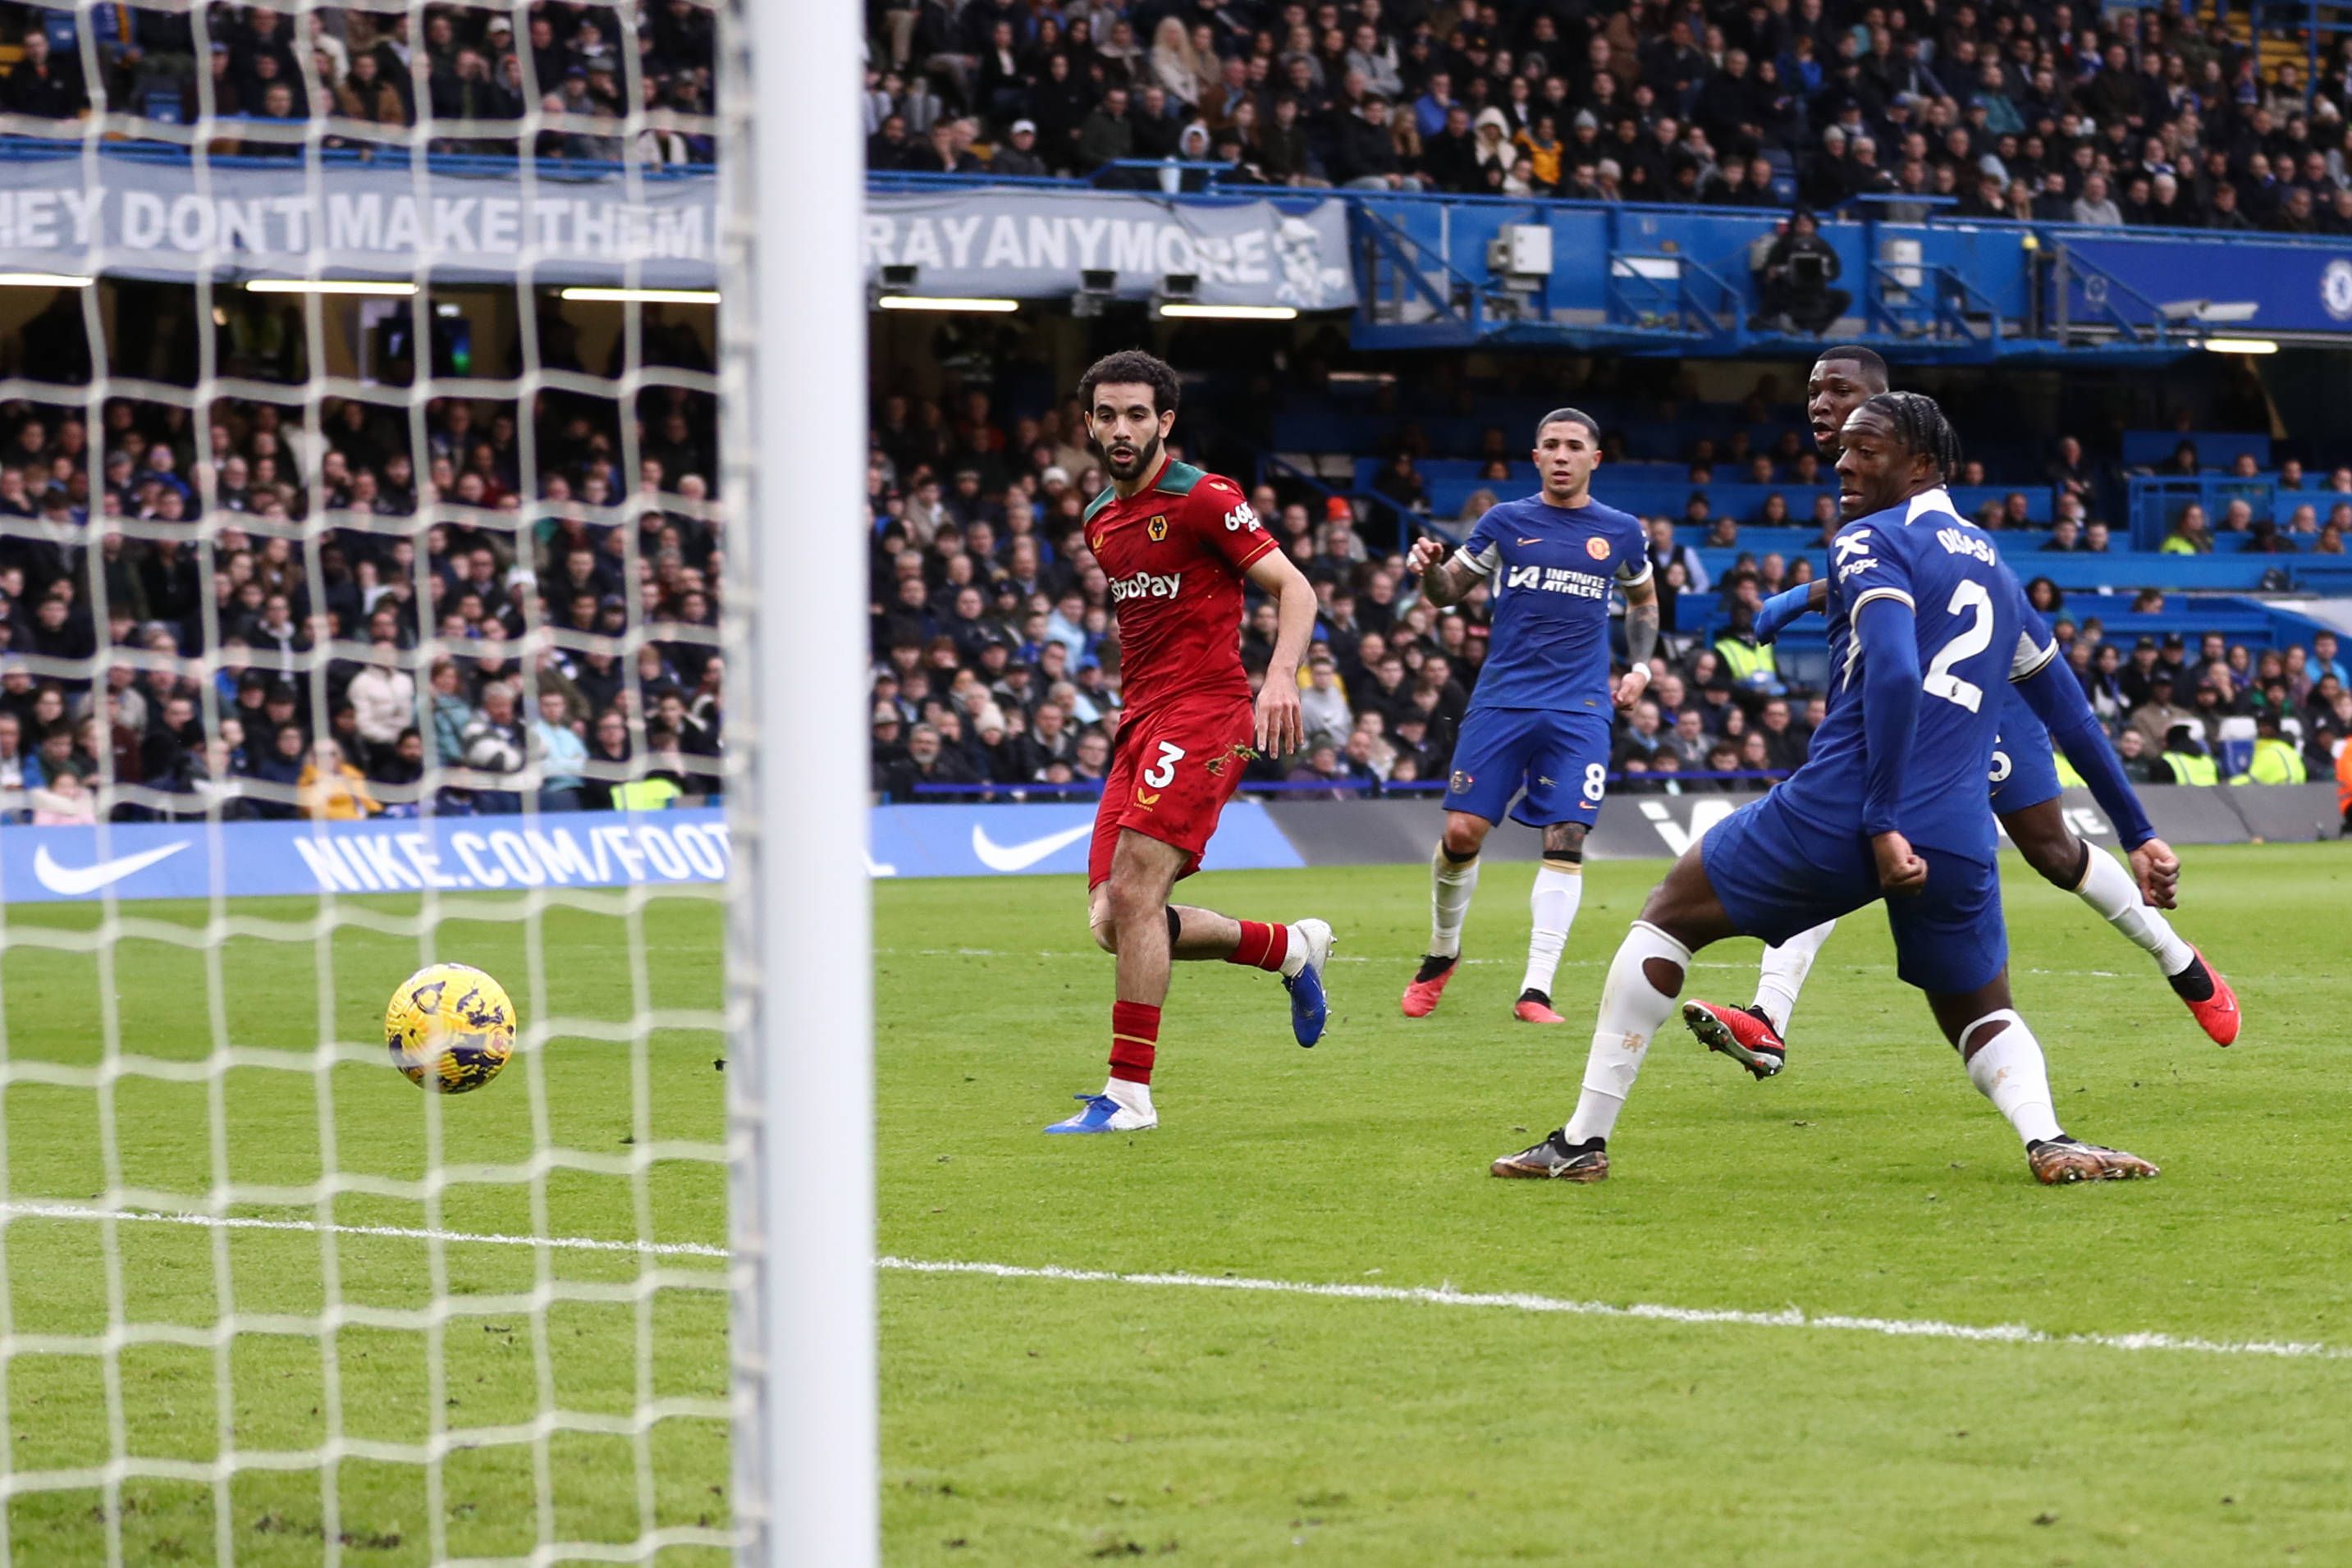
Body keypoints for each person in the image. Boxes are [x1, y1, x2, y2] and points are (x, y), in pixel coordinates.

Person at [1493, 393, 2167, 1188]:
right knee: (1978, 1006)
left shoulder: (1870, 539)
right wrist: (2139, 832)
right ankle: (2047, 1138)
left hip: (1845, 809)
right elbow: (2070, 713)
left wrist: (1881, 820)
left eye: (1865, 450)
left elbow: (1895, 671)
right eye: (1843, 448)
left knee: (1667, 917)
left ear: (1920, 464)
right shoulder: (1994, 564)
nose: (1843, 464)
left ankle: (1581, 1142)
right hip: (1957, 828)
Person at [1683, 347, 2237, 1077]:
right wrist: (1815, 595)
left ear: (1883, 405)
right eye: (1813, 391)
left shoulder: (1911, 483)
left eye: (1839, 391)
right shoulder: (1861, 493)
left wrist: (1798, 596)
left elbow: (1941, 575)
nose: (1821, 403)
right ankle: (1768, 1016)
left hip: (1976, 693)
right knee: (1842, 825)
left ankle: (2180, 961)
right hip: (1897, 694)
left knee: (2050, 849)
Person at [1046, 350, 1333, 1136]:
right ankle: (1287, 948)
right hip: (1138, 724)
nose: (1121, 428)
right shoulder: (1099, 518)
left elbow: (1295, 587)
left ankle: (1128, 1094)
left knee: (1138, 891)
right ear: (1089, 424)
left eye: (1137, 414)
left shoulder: (1204, 497)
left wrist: (1280, 676)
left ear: (1164, 421)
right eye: (1107, 414)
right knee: (1112, 920)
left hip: (1205, 712)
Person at [1399, 407, 1659, 1024]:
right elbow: (1448, 591)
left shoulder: (1621, 532)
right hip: (1503, 700)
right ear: (1536, 456)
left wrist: (1641, 667)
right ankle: (1442, 951)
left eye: (1574, 446)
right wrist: (1430, 570)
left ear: (1595, 459)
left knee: (1566, 835)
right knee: (1463, 834)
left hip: (1581, 707)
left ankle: (1536, 990)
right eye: (1551, 445)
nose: (1562, 455)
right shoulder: (1505, 522)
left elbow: (1644, 601)